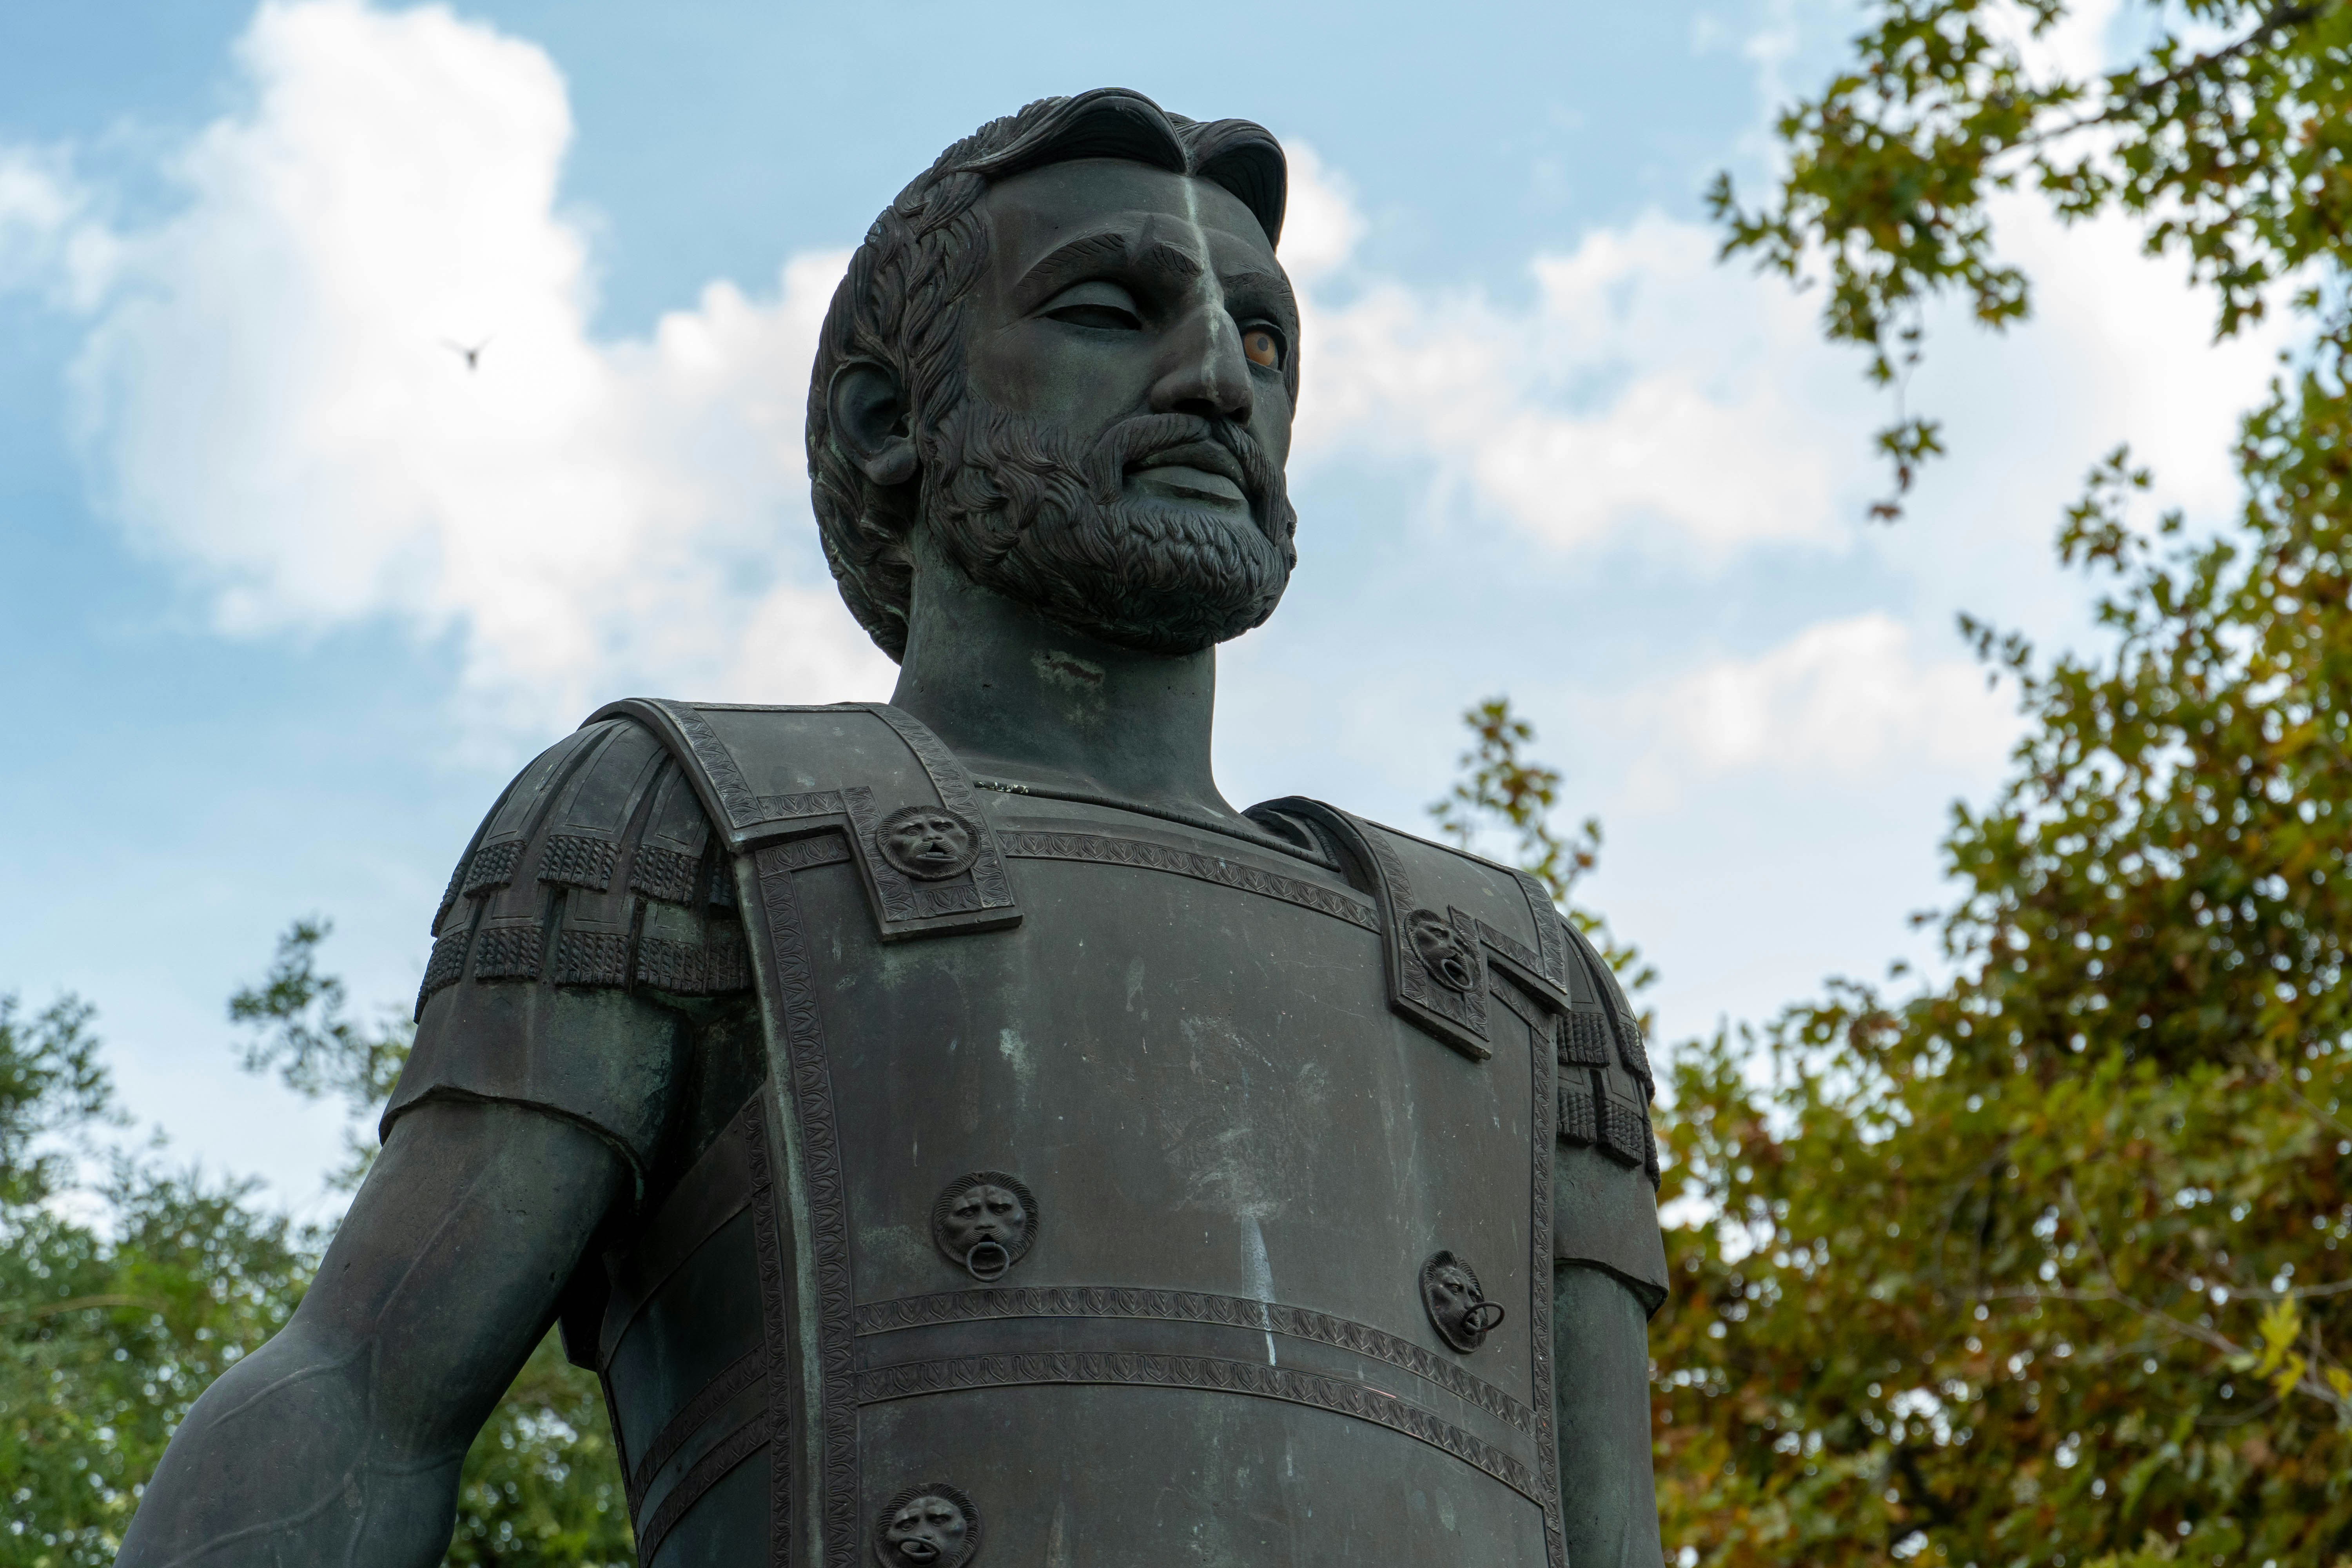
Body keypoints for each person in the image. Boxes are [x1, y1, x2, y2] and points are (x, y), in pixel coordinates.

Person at [120, 88, 1667, 1568]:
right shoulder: (691, 826)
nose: (1216, 378)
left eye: (1264, 340)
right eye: (1108, 311)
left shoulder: (1515, 986)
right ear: (886, 419)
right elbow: (360, 1398)